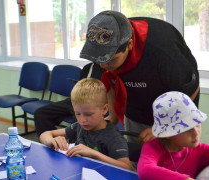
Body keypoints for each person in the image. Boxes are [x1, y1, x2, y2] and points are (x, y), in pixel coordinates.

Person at [79, 10, 200, 144]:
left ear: (129, 45)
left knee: (174, 155)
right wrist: (112, 116)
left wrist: (163, 127)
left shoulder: (164, 51)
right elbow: (109, 81)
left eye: (111, 60)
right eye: (100, 61)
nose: (103, 65)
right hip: (136, 102)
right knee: (139, 153)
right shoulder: (103, 47)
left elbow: (189, 93)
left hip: (175, 105)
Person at [39, 78, 132, 170]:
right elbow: (45, 134)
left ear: (104, 109)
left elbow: (127, 168)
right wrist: (51, 141)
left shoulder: (113, 137)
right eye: (77, 113)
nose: (82, 120)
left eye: (88, 114)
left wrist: (93, 153)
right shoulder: (79, 126)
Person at [137, 91, 209, 180]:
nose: (196, 133)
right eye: (187, 129)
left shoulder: (202, 150)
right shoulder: (153, 147)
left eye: (197, 124)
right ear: (168, 134)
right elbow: (145, 171)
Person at [34, 63, 105, 137]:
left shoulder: (110, 70)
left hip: (92, 103)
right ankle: (54, 142)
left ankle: (74, 145)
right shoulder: (88, 67)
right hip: (76, 99)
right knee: (40, 113)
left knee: (78, 121)